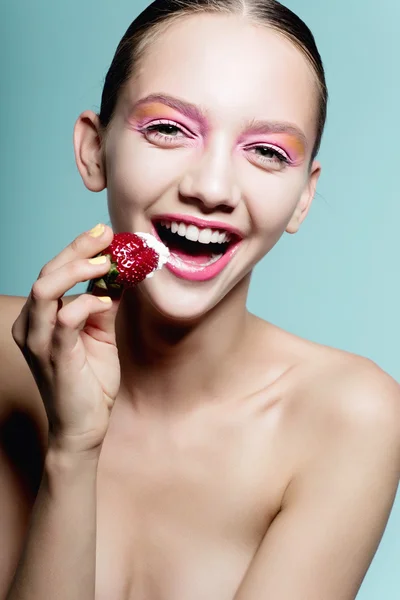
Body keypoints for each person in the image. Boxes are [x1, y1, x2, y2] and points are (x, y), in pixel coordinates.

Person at [1, 0, 399, 598]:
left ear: (302, 198)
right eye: (168, 129)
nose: (211, 188)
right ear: (93, 149)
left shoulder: (350, 419)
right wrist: (72, 450)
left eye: (267, 151)